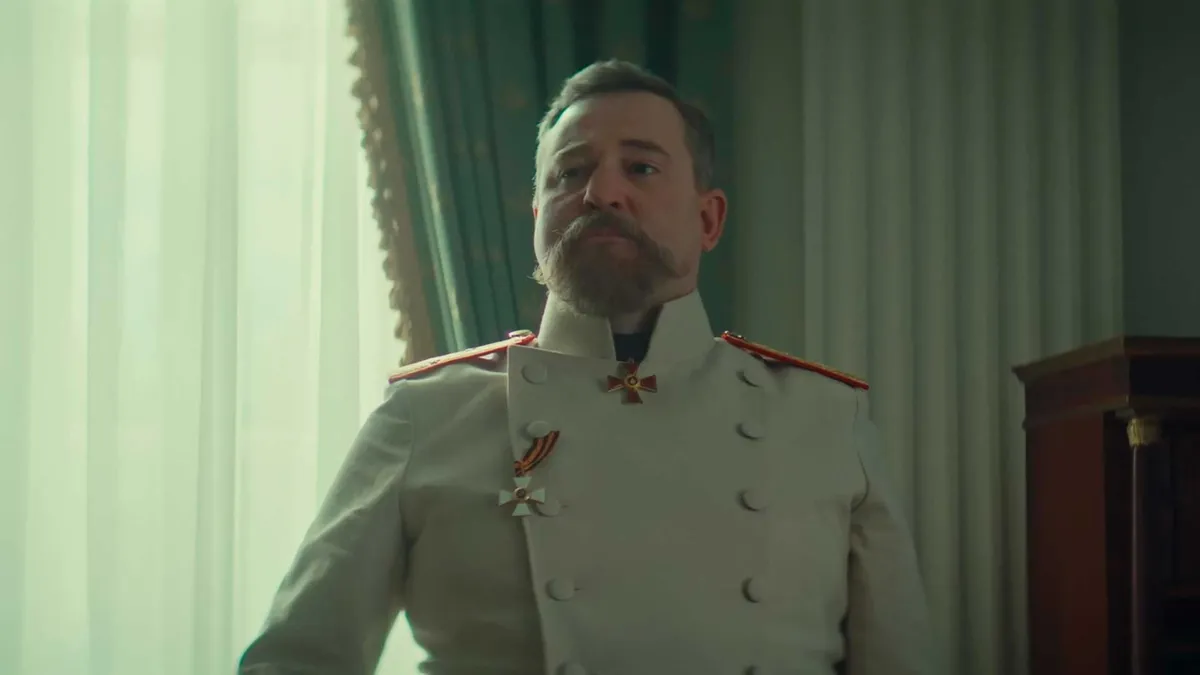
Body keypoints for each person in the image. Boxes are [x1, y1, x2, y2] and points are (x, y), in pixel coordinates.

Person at [239, 59, 932, 675]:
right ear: (537, 220)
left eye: (642, 167)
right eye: (570, 173)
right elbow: (295, 660)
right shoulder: (425, 415)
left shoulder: (824, 418)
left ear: (709, 219)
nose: (602, 192)